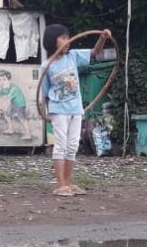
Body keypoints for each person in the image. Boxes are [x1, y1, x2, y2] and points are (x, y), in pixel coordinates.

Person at [39, 24, 111, 197]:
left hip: (76, 109)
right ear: (52, 42)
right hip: (59, 110)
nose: (67, 41)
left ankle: (68, 183)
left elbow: (95, 52)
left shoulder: (73, 56)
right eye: (63, 38)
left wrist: (103, 37)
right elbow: (45, 93)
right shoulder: (46, 66)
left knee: (72, 146)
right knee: (60, 145)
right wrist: (49, 114)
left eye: (68, 37)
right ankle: (60, 184)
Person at [0, 69, 32, 140]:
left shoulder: (13, 88)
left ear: (9, 80)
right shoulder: (3, 88)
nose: (2, 82)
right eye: (0, 80)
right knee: (7, 115)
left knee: (22, 119)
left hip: (20, 104)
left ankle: (28, 134)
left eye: (4, 79)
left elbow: (7, 100)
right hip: (14, 104)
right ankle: (10, 129)